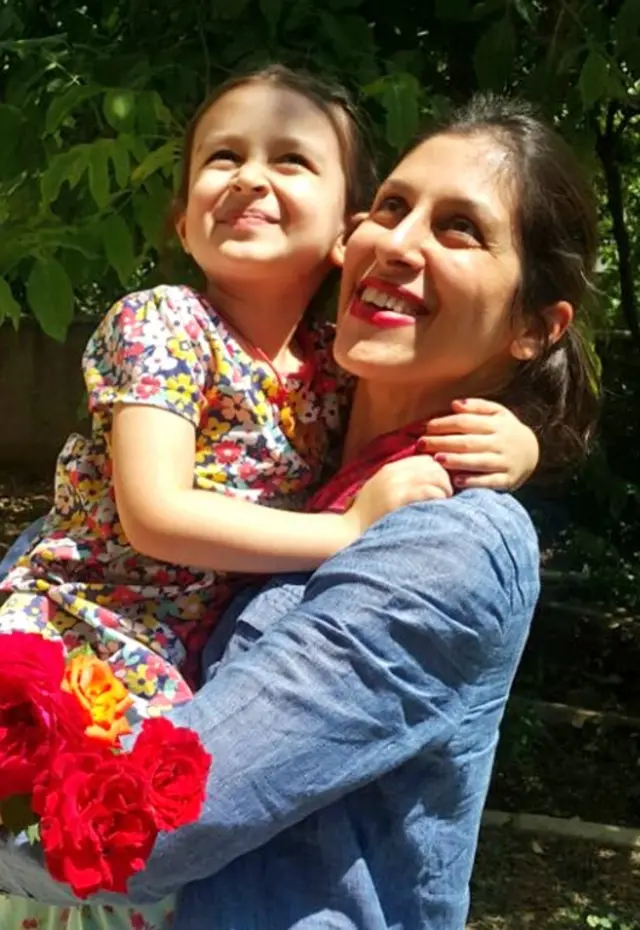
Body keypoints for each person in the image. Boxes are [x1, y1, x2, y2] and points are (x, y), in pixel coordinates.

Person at [0, 94, 600, 930]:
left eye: (460, 227)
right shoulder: (293, 426)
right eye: (392, 208)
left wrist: (525, 442)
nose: (398, 242)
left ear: (535, 328)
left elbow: (155, 821)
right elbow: (92, 536)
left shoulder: (448, 539)